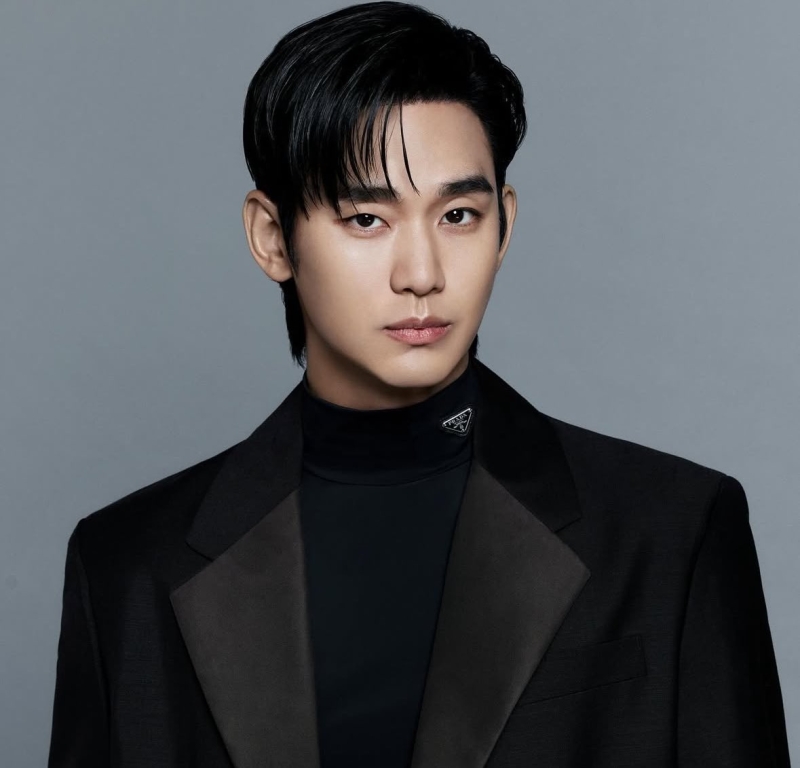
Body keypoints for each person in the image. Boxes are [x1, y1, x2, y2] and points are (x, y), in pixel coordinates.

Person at [47, 2, 791, 766]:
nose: (423, 274)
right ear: (273, 238)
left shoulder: (672, 533)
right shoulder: (127, 567)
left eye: (458, 215)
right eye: (367, 220)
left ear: (504, 225)